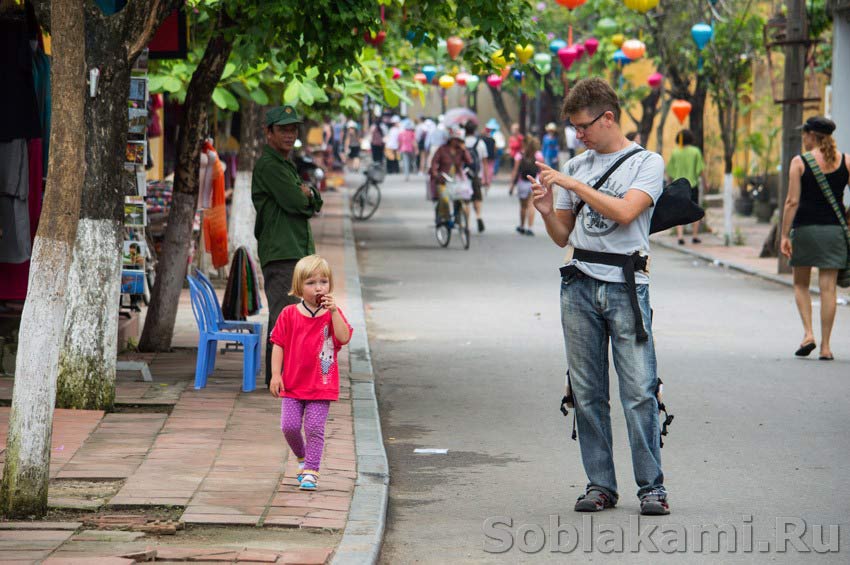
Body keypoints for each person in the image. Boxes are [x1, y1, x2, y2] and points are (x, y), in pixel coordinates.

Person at [530, 77, 670, 516]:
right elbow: (562, 237)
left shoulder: (647, 162)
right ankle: (600, 484)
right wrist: (548, 210)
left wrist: (574, 187)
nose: (579, 135)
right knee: (587, 392)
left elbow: (627, 212)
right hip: (578, 284)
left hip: (627, 286)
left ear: (608, 117)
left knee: (639, 392)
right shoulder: (575, 165)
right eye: (574, 128)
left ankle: (651, 487)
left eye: (584, 126)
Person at [252, 105, 324, 388]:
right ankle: (277, 380)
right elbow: (297, 202)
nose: (289, 134)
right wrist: (306, 196)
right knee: (284, 317)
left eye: (293, 129)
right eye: (283, 129)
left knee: (298, 316)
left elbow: (312, 200)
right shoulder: (270, 166)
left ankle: (291, 377)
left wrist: (310, 194)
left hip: (295, 250)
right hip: (282, 253)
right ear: (268, 132)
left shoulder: (285, 164)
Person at [269, 255, 352, 491]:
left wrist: (335, 312)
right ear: (298, 286)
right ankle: (302, 457)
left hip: (321, 384)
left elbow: (343, 338)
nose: (318, 287)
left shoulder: (331, 314)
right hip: (293, 384)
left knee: (315, 428)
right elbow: (278, 344)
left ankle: (311, 471)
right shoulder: (289, 314)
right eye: (311, 282)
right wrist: (276, 375)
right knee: (289, 427)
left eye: (323, 282)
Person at [780, 116, 849, 361]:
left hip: (806, 229)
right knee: (828, 288)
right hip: (834, 232)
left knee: (800, 284)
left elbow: (792, 201)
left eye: (804, 134)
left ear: (811, 135)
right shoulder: (846, 161)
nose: (803, 138)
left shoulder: (799, 162)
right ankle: (826, 347)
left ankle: (808, 334)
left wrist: (785, 234)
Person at [666, 129, 706, 245]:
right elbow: (700, 170)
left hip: (678, 186)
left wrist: (669, 185)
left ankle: (680, 236)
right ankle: (694, 236)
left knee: (679, 210)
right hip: (692, 185)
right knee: (695, 209)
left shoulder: (675, 152)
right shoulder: (695, 152)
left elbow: (670, 171)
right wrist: (705, 183)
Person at [429, 127, 472, 224]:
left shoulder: (461, 151)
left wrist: (464, 150)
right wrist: (435, 173)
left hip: (457, 179)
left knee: (462, 196)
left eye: (459, 140)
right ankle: (444, 216)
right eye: (456, 140)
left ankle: (458, 216)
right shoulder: (442, 149)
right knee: (444, 197)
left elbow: (469, 161)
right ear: (451, 139)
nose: (457, 142)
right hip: (443, 179)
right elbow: (434, 163)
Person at [509, 135, 540, 236]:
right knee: (531, 205)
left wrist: (512, 185)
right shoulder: (538, 155)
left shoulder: (519, 155)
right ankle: (530, 228)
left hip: (522, 182)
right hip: (534, 181)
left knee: (523, 206)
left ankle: (522, 226)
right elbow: (543, 170)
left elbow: (515, 170)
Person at [464, 121, 489, 233]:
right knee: (477, 198)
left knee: (466, 201)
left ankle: (467, 225)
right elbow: (484, 162)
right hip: (476, 175)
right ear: (474, 130)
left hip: (463, 175)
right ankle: (478, 216)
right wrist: (486, 178)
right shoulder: (480, 143)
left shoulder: (461, 143)